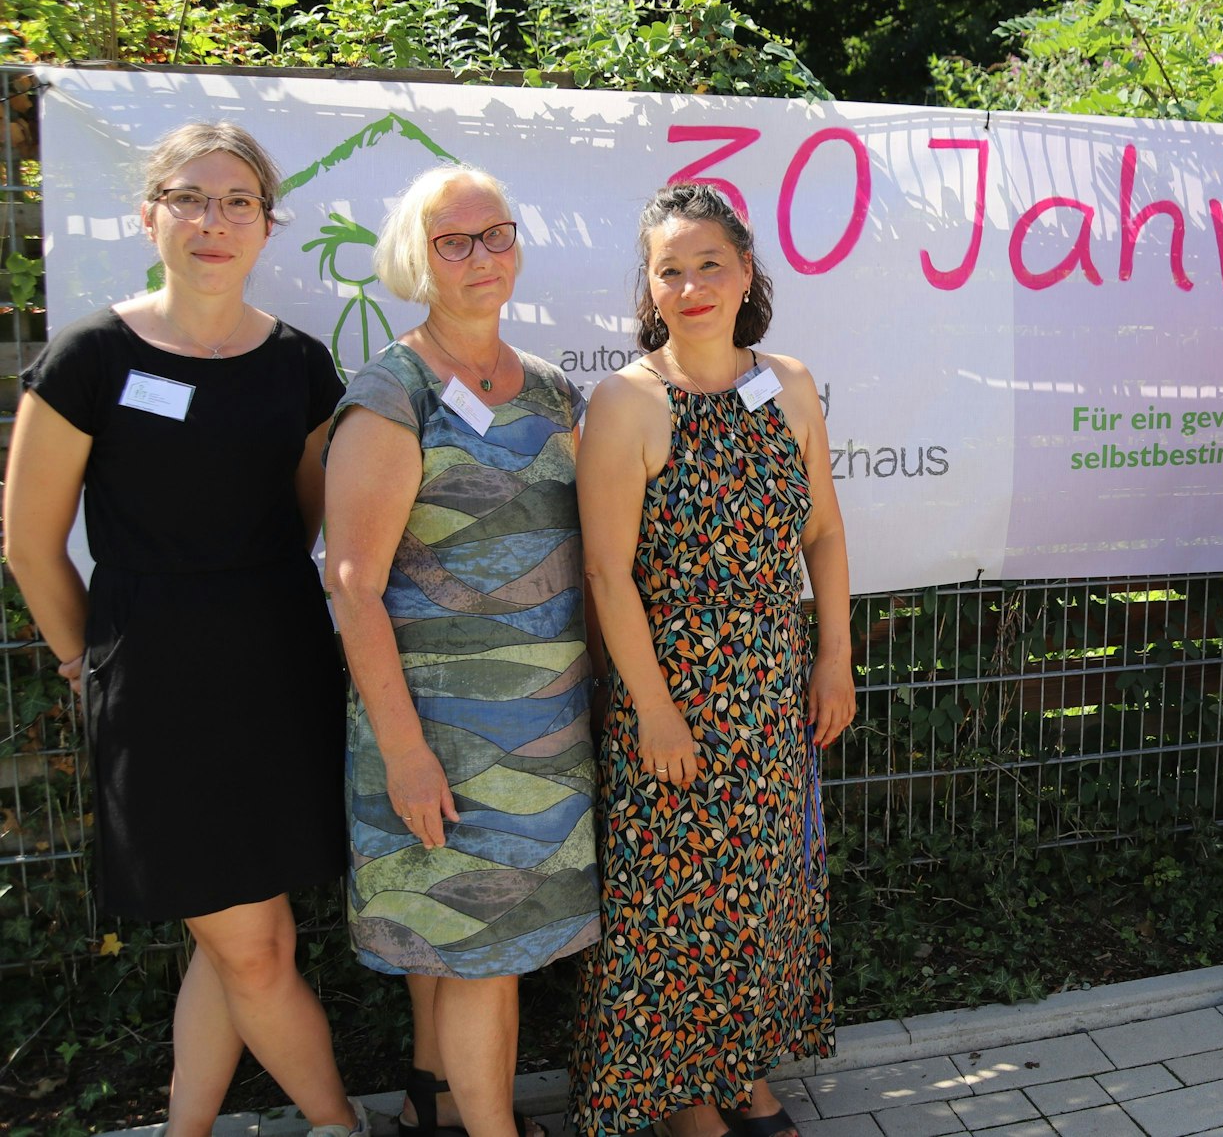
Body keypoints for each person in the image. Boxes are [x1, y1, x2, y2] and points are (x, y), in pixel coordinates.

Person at [3, 122, 365, 1136]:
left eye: (238, 201)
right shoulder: (90, 357)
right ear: (149, 215)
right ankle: (338, 1124)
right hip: (156, 682)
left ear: (265, 224)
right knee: (255, 945)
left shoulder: (300, 364)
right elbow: (29, 544)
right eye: (190, 198)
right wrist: (82, 660)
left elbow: (304, 518)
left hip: (276, 669)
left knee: (237, 940)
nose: (214, 220)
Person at [570, 182, 855, 1137]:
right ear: (649, 288)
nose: (691, 287)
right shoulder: (627, 401)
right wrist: (653, 711)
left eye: (709, 265)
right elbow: (607, 574)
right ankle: (682, 1097)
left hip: (773, 687)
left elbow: (823, 531)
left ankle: (740, 1070)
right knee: (672, 900)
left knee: (759, 891)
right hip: (675, 691)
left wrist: (835, 658)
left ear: (744, 274)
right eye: (670, 270)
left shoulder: (790, 383)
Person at [324, 164, 599, 1137]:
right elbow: (352, 585)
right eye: (453, 241)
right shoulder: (392, 394)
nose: (481, 255)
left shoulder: (553, 391)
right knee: (482, 954)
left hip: (545, 729)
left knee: (470, 946)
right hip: (441, 734)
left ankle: (434, 1108)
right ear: (417, 258)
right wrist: (405, 752)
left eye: (496, 233)